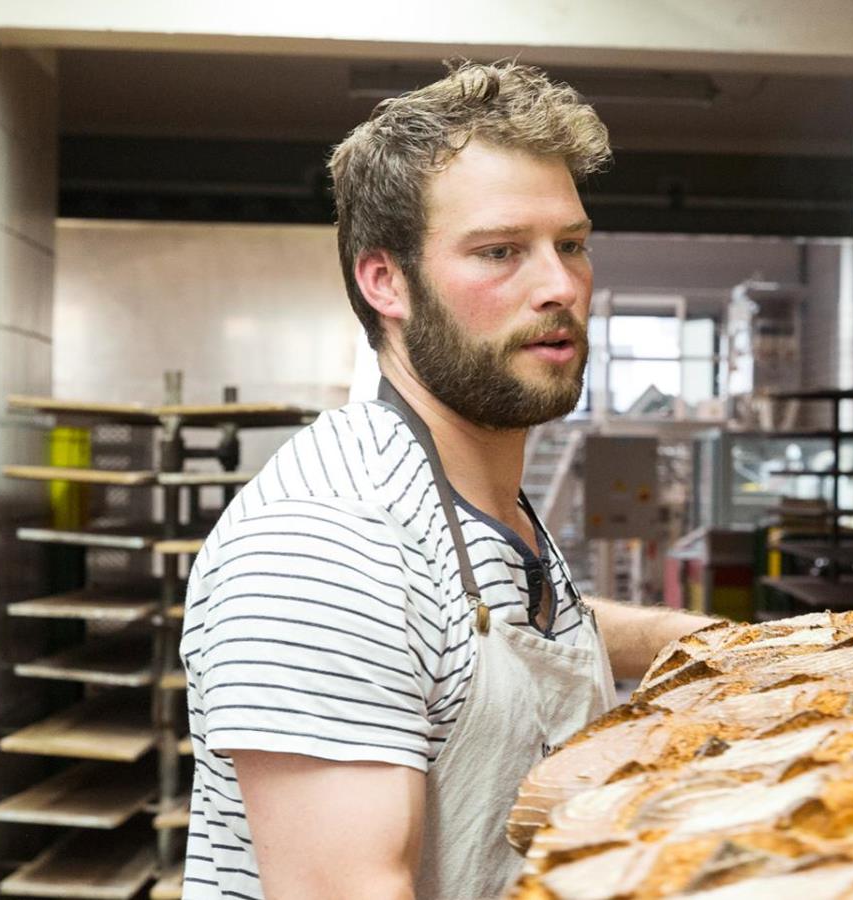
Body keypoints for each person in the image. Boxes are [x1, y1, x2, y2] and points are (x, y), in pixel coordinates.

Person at [178, 61, 717, 899]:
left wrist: (719, 649)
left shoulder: (466, 495)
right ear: (385, 281)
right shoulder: (323, 549)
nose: (559, 287)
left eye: (570, 245)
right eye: (500, 252)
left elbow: (486, 634)